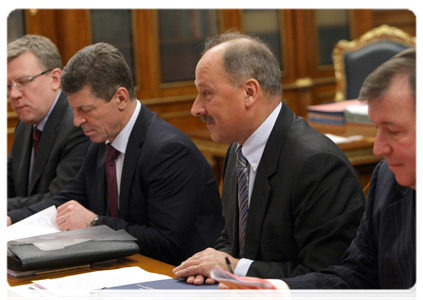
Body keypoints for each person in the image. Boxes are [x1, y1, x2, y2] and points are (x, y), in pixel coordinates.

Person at [218, 46, 420, 300]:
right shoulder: (387, 179)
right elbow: (357, 277)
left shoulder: (316, 163)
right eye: (377, 129)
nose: (378, 147)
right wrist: (278, 292)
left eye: (393, 131)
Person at [5, 42, 224, 266]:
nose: (76, 120)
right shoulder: (100, 141)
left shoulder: (168, 151)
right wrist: (10, 219)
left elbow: (167, 243)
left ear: (120, 98)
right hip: (124, 268)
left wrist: (95, 223)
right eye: (75, 109)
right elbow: (64, 199)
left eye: (86, 110)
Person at [173, 32, 365, 284]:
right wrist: (212, 266)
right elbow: (232, 239)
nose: (196, 108)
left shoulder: (317, 164)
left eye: (207, 93)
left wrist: (234, 268)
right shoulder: (237, 150)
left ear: (250, 92)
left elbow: (329, 278)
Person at [5, 35, 89, 212]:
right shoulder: (26, 123)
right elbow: (7, 180)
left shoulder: (77, 125)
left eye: (23, 82)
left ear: (55, 79)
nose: (13, 95)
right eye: (7, 86)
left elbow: (58, 200)